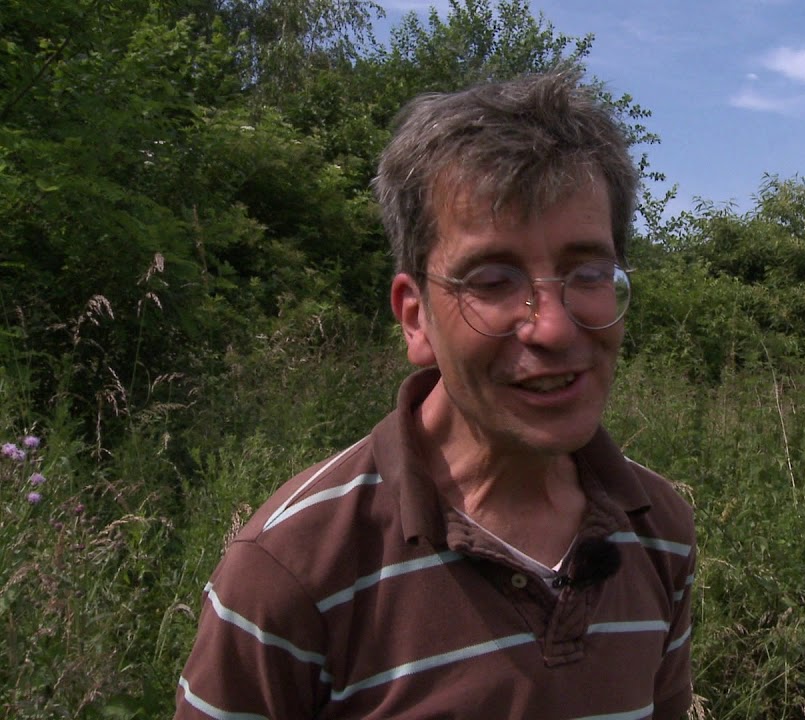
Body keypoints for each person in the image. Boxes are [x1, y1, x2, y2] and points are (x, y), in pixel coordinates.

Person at [174, 69, 697, 719]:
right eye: (493, 280)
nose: (555, 327)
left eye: (586, 272)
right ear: (415, 316)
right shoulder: (292, 571)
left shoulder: (661, 532)